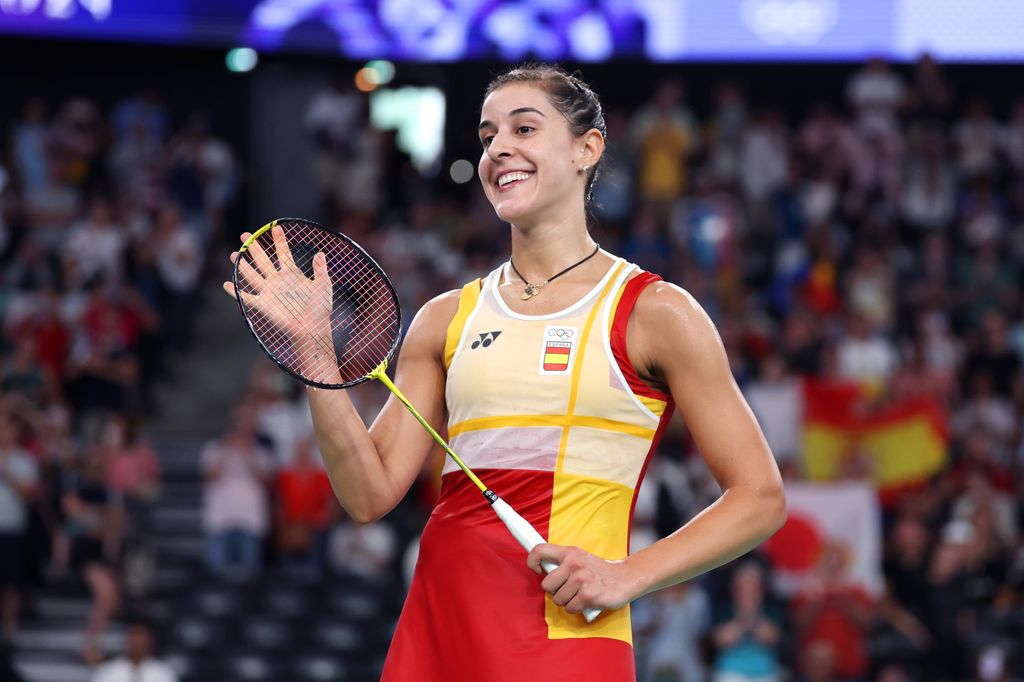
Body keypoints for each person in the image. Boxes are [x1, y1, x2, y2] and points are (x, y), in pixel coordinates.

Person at [223, 64, 786, 681]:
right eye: (488, 135)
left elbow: (759, 497)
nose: (498, 150)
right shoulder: (445, 318)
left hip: (566, 636)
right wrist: (314, 358)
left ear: (586, 148)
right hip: (438, 631)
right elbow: (367, 493)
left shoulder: (656, 312)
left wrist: (627, 575)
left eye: (524, 128)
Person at [90, 619, 178, 682]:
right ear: (126, 639)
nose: (137, 641)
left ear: (150, 640)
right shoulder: (107, 671)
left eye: (141, 636)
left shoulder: (163, 673)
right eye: (134, 635)